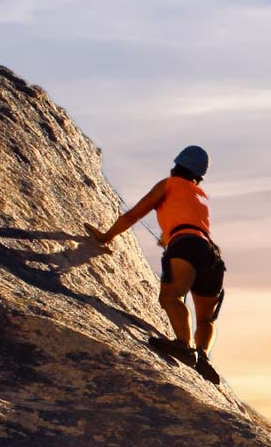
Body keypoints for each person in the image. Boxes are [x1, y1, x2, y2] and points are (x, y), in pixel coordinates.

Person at [86, 146, 225, 384]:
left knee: (171, 297)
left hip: (185, 245)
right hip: (212, 255)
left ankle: (183, 344)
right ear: (199, 175)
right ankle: (203, 357)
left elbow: (133, 216)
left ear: (176, 166)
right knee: (206, 319)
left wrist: (105, 237)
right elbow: (191, 223)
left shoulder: (168, 184)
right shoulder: (201, 196)